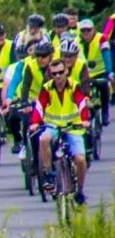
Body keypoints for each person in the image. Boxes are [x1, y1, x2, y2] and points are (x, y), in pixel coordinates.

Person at [30, 59, 90, 205]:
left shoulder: (74, 86)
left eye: (60, 73)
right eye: (54, 73)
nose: (57, 76)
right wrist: (34, 123)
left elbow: (81, 103)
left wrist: (84, 120)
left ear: (66, 71)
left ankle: (80, 190)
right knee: (43, 140)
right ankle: (49, 173)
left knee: (80, 160)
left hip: (73, 126)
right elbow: (39, 106)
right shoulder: (47, 88)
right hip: (53, 125)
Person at [4, 40, 55, 155]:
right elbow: (23, 85)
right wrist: (19, 101)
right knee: (28, 123)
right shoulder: (28, 65)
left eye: (44, 56)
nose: (40, 59)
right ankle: (28, 150)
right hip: (33, 101)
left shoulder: (57, 66)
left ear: (51, 55)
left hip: (52, 101)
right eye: (38, 55)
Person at [78, 19, 110, 125]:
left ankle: (105, 112)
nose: (86, 33)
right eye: (83, 31)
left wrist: (109, 72)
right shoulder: (76, 41)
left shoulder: (101, 38)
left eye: (88, 30)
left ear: (93, 30)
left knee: (104, 86)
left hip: (99, 72)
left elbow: (106, 56)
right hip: (83, 74)